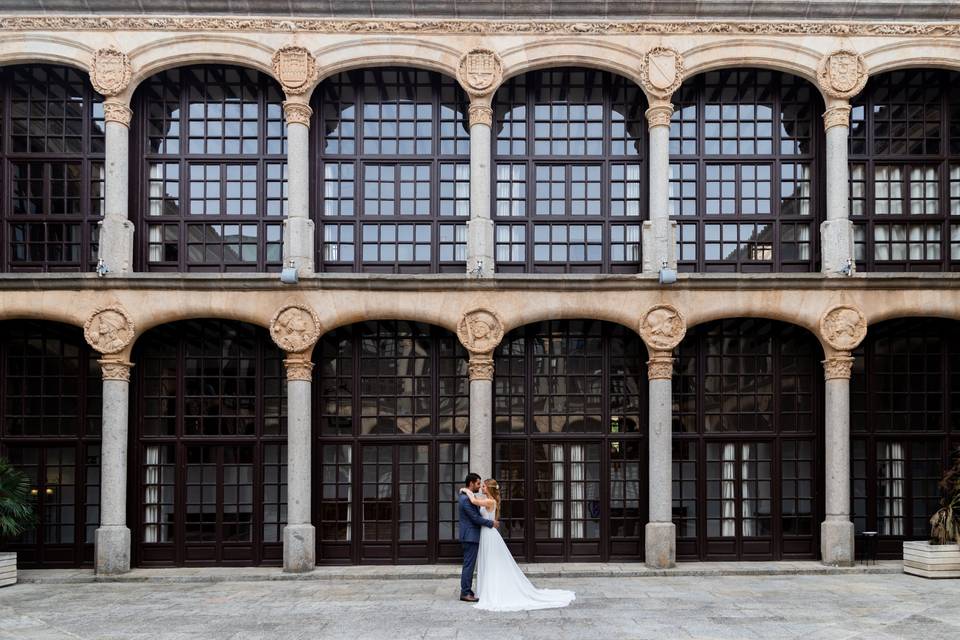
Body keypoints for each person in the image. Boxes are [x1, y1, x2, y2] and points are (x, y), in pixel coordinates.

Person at [460, 478, 576, 611]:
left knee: (490, 562)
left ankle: (491, 590)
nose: (482, 488)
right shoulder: (491, 501)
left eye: (484, 486)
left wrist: (465, 490)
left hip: (489, 534)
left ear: (490, 489)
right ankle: (488, 588)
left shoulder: (490, 501)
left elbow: (474, 501)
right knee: (489, 562)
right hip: (487, 533)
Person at [458, 472, 497, 602]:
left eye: (482, 484)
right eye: (478, 483)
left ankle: (468, 590)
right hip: (470, 536)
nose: (480, 487)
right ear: (471, 483)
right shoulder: (465, 499)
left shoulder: (469, 497)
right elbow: (475, 518)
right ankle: (465, 593)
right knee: (469, 565)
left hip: (472, 535)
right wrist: (491, 523)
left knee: (470, 564)